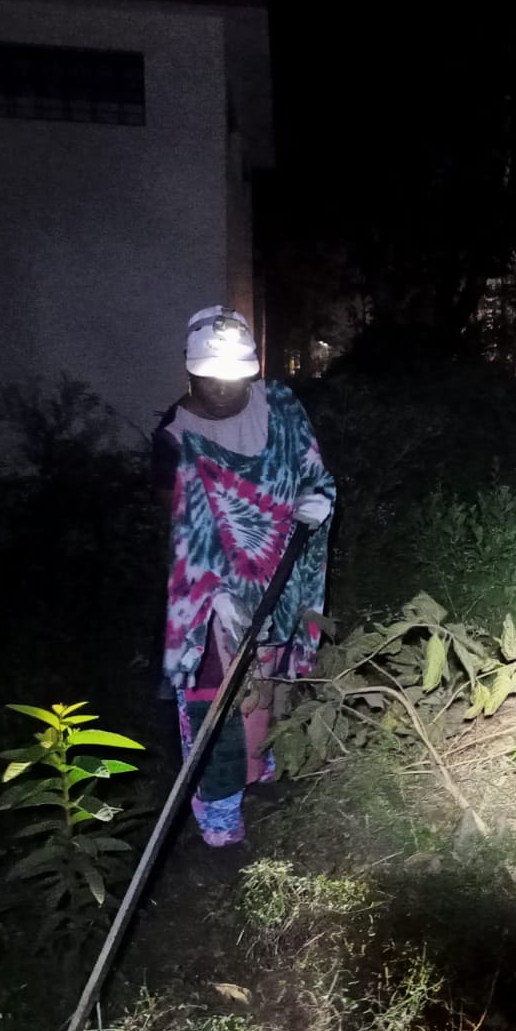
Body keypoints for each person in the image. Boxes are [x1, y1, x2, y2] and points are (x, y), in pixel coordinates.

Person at [153, 306, 336, 847]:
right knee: (218, 695)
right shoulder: (176, 438)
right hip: (214, 594)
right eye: (212, 378)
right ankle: (219, 819)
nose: (224, 389)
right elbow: (179, 532)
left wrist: (316, 501)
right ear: (190, 370)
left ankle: (262, 769)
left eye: (235, 377)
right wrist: (217, 598)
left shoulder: (280, 406)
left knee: (270, 680)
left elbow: (313, 473)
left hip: (285, 573)